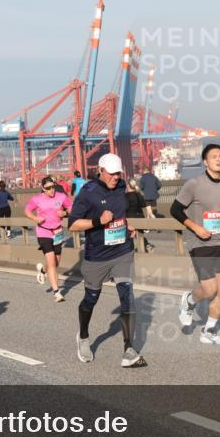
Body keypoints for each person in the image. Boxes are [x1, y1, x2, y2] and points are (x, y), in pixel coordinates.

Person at [67, 153, 146, 368]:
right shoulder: (88, 192)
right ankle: (83, 336)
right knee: (91, 299)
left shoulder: (121, 187)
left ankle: (129, 350)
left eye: (118, 173)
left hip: (122, 252)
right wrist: (97, 221)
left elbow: (120, 214)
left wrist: (126, 225)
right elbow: (72, 225)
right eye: (111, 174)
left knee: (127, 295)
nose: (115, 177)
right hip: (97, 257)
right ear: (100, 171)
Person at [173, 144, 220, 344]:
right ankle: (189, 301)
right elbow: (175, 210)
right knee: (210, 289)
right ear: (205, 162)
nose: (219, 159)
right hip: (199, 241)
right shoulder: (194, 184)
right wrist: (195, 227)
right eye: (214, 156)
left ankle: (209, 331)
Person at [26, 176, 73, 302]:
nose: (51, 190)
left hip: (57, 232)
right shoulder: (37, 199)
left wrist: (64, 213)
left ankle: (42, 270)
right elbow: (27, 210)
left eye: (52, 187)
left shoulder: (61, 196)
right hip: (43, 232)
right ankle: (57, 293)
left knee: (56, 263)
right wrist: (35, 219)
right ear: (43, 189)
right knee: (52, 262)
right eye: (48, 188)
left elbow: (71, 207)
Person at [125, 179, 153, 253]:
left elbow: (124, 207)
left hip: (130, 218)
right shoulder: (139, 194)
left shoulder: (125, 196)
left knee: (129, 234)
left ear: (128, 186)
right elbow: (143, 205)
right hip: (140, 217)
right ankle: (146, 246)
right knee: (139, 234)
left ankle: (130, 250)